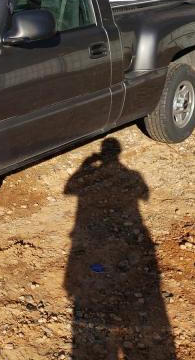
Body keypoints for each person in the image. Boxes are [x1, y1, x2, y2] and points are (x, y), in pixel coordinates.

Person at [64, 138, 176, 359]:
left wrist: (86, 166)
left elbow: (69, 189)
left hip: (98, 234)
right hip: (124, 230)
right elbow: (145, 195)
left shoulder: (116, 176)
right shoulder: (133, 176)